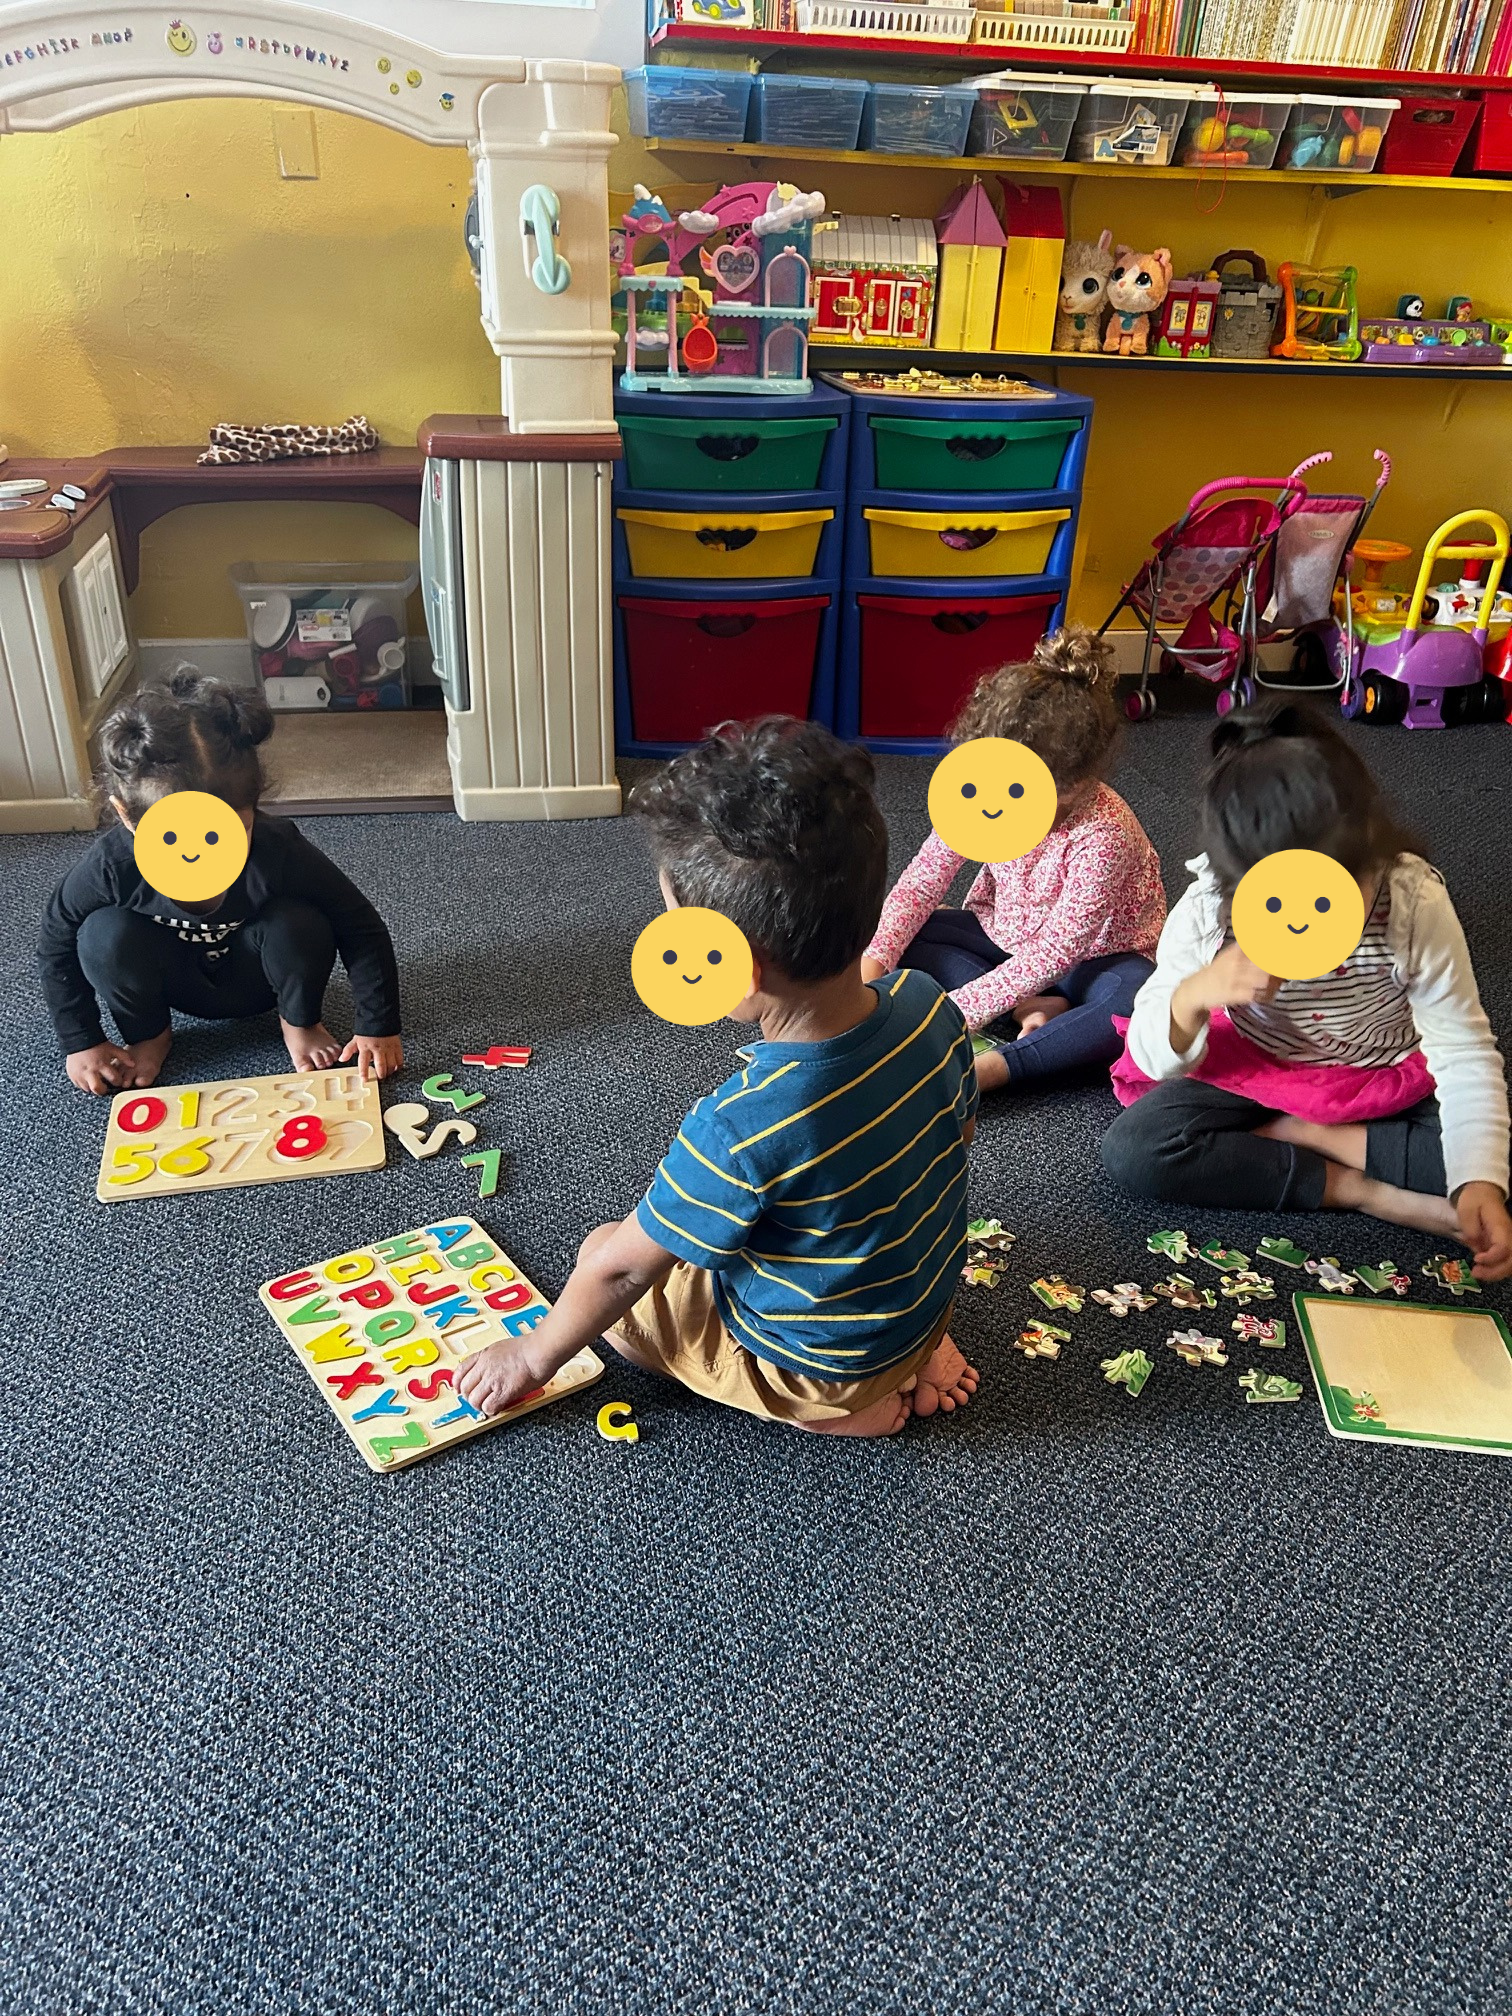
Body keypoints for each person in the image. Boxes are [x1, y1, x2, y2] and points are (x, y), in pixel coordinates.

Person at [458, 717, 980, 1436]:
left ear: (740, 973)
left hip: (819, 1361)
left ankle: (843, 1408)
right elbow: (949, 1144)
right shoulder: (928, 1004)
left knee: (601, 1261)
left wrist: (532, 1354)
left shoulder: (740, 1125)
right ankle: (914, 1348)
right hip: (918, 1299)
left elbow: (621, 1271)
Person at [1102, 701, 1512, 1279]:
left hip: (1375, 1072)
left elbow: (1464, 1049)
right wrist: (1194, 994)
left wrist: (1479, 1181)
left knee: (1486, 1165)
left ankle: (1305, 1134)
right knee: (1135, 1150)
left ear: (1374, 848)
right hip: (1260, 1066)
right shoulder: (1210, 908)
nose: (1312, 924)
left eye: (1338, 896)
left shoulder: (1412, 900)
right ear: (1239, 881)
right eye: (1281, 903)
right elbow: (1150, 1052)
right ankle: (1357, 1190)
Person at [39, 669, 403, 1092]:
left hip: (262, 980)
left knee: (299, 920)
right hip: (173, 982)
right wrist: (81, 1041)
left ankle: (298, 1024)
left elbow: (359, 925)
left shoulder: (277, 848)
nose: (198, 856)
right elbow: (56, 939)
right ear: (126, 817)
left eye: (223, 835)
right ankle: (150, 1035)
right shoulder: (112, 865)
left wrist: (377, 1025)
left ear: (253, 804)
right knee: (101, 933)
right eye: (172, 838)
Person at [861, 629, 1165, 1093]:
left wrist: (950, 1017)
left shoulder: (1105, 833)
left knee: (1135, 1004)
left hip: (1097, 959)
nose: (993, 801)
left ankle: (998, 1068)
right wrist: (873, 965)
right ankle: (1028, 1006)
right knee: (905, 929)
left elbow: (1059, 951)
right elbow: (922, 883)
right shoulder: (983, 790)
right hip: (1011, 936)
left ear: (1075, 787)